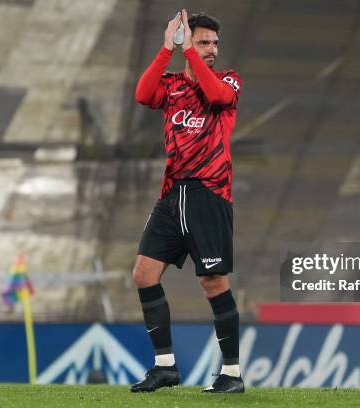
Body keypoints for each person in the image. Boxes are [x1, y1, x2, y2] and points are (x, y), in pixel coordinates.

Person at [130, 10, 243, 393]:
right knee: (144, 274)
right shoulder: (173, 85)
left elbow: (214, 94)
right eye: (202, 43)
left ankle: (232, 373)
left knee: (213, 282)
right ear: (186, 43)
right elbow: (143, 94)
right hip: (172, 193)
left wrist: (190, 53)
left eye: (214, 44)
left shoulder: (229, 80)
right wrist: (166, 49)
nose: (211, 50)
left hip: (208, 194)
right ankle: (165, 367)